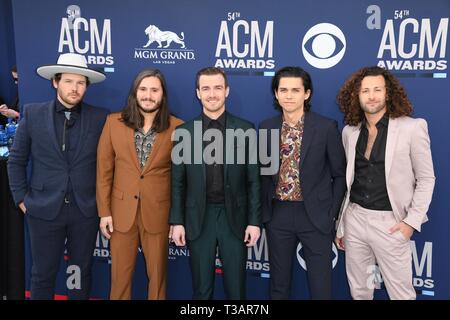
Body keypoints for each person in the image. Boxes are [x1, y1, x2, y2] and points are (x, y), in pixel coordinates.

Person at [7, 53, 109, 299]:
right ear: (55, 82)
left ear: (86, 86)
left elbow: (109, 165)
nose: (75, 88)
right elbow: (16, 161)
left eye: (81, 83)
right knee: (42, 273)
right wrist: (22, 200)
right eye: (68, 81)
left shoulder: (101, 118)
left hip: (84, 211)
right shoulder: (32, 114)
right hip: (42, 210)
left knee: (78, 272)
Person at [335, 66, 435, 300]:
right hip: (355, 219)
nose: (371, 96)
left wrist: (410, 222)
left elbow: (427, 178)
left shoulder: (412, 127)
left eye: (377, 89)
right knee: (360, 291)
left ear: (388, 93)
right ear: (356, 96)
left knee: (401, 294)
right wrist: (342, 225)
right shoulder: (350, 132)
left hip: (391, 223)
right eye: (365, 91)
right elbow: (349, 182)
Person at [169, 67, 261, 299]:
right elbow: (178, 183)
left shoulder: (245, 129)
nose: (212, 94)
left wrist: (254, 222)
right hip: (199, 218)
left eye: (218, 88)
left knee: (236, 289)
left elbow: (254, 181)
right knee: (202, 289)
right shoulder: (184, 132)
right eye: (206, 88)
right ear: (198, 93)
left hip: (236, 219)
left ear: (227, 91)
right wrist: (177, 221)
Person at [260, 66, 346, 300]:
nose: (289, 95)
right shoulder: (266, 127)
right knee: (278, 285)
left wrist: (331, 213)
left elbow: (340, 175)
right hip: (278, 215)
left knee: (321, 286)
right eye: (283, 90)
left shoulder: (326, 127)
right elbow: (262, 175)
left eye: (295, 90)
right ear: (276, 94)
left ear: (306, 94)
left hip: (316, 216)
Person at [96, 69, 183, 300]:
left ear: (162, 95)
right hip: (121, 213)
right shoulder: (113, 122)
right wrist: (104, 212)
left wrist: (177, 218)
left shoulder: (178, 127)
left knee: (157, 279)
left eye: (154, 90)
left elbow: (180, 179)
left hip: (158, 213)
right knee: (120, 279)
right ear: (135, 93)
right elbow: (104, 172)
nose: (148, 95)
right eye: (143, 89)